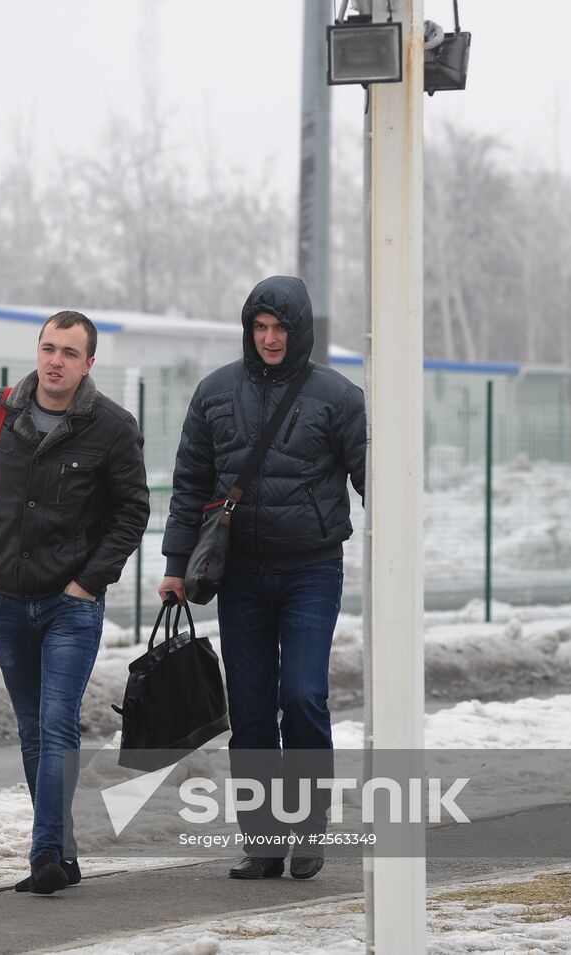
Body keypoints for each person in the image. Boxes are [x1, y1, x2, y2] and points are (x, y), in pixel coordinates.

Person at [158, 275, 365, 882]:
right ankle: (263, 842)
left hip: (311, 570)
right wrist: (175, 566)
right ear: (249, 329)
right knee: (250, 707)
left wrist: (398, 547)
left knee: (302, 696)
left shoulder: (337, 396)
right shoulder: (215, 392)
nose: (270, 339)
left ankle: (308, 828)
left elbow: (371, 474)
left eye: (281, 328)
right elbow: (190, 483)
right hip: (239, 573)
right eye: (260, 327)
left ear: (298, 330)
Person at [0, 310, 150, 896]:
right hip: (7, 600)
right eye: (48, 348)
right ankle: (64, 853)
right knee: (33, 731)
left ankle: (44, 855)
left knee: (57, 725)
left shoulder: (111, 426)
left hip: (70, 606)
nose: (55, 361)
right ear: (37, 350)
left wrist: (90, 581)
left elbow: (133, 511)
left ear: (88, 364)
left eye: (69, 352)